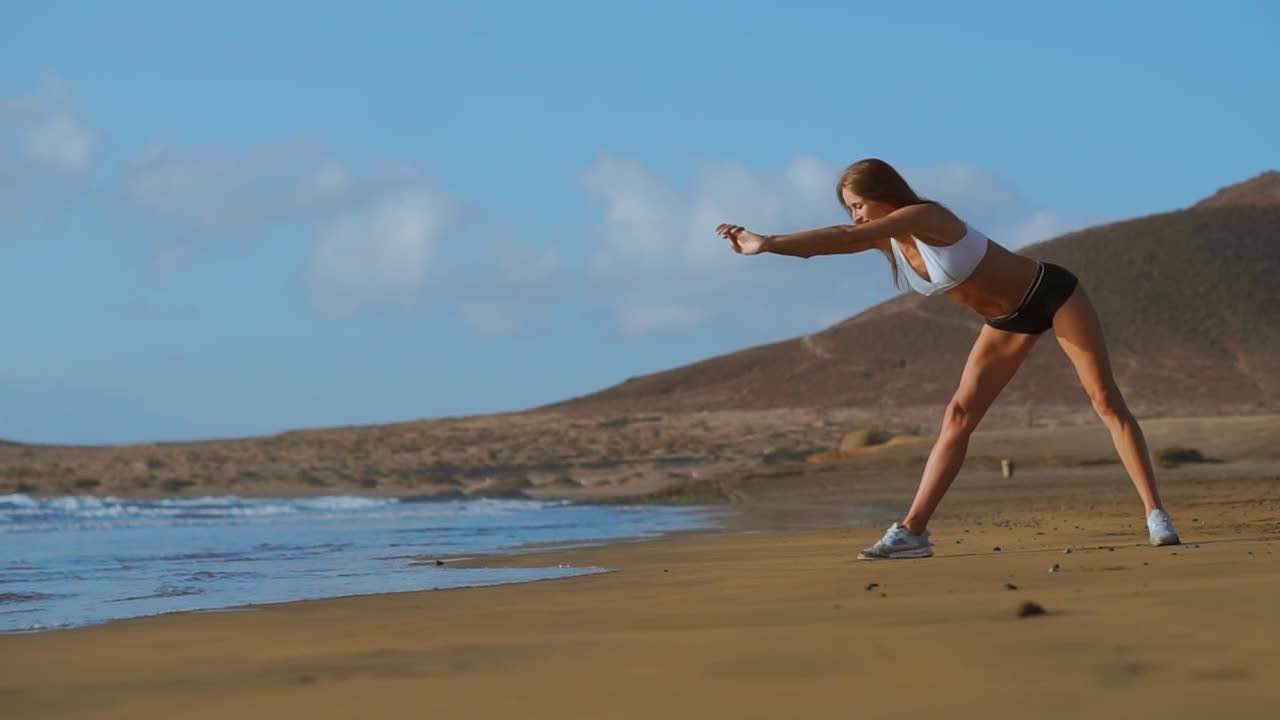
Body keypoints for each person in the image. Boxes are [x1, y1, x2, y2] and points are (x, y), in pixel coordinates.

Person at [715, 158, 1180, 559]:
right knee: (958, 415)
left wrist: (768, 241)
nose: (855, 216)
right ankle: (913, 532)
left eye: (859, 204)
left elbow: (841, 235)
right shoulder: (885, 240)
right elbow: (830, 245)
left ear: (883, 196)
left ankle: (1156, 514)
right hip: (1007, 321)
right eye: (849, 208)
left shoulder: (927, 215)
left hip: (1051, 293)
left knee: (1103, 400)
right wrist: (770, 249)